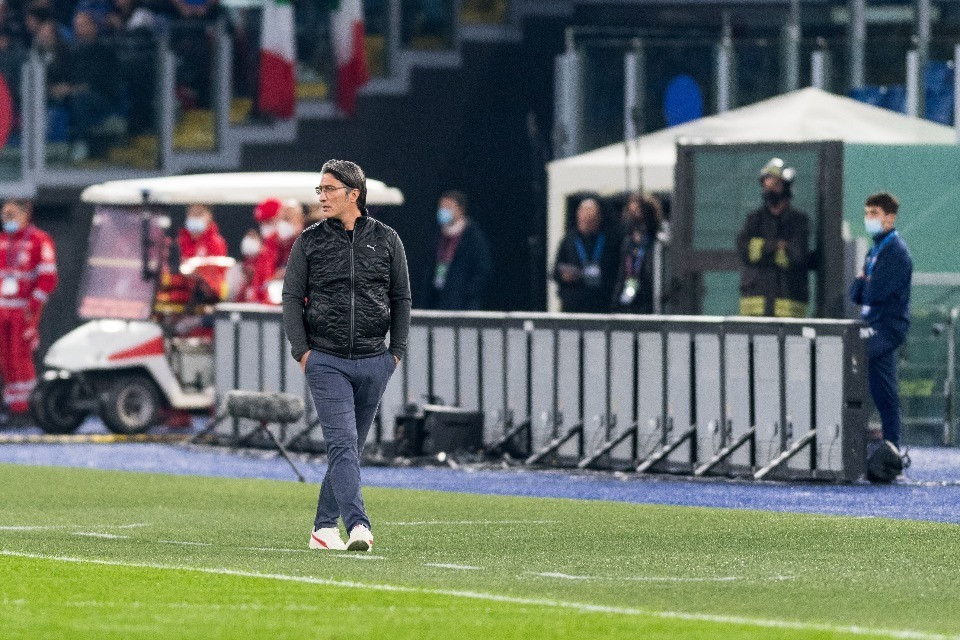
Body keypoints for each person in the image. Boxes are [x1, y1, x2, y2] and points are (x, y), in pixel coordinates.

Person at [282, 159, 410, 552]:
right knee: (342, 444)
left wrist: (395, 353)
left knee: (349, 450)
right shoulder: (308, 241)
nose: (321, 197)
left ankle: (323, 529)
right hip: (326, 360)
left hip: (375, 360)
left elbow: (401, 298)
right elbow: (291, 298)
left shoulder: (387, 239)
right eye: (319, 189)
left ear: (354, 194)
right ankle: (358, 525)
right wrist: (303, 353)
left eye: (329, 189)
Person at [850, 192, 912, 451]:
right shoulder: (876, 248)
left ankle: (859, 438)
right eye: (866, 213)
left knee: (853, 360)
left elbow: (875, 293)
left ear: (890, 217)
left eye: (874, 214)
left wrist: (865, 281)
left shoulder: (896, 252)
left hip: (886, 326)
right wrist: (865, 283)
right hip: (871, 324)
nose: (869, 219)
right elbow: (856, 293)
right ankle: (891, 447)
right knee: (884, 392)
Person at [0, 199, 57, 423]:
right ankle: (13, 406)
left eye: (12, 215)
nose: (7, 220)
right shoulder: (2, 241)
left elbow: (48, 278)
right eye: (4, 215)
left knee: (21, 357)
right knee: (5, 360)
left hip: (23, 311)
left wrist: (32, 307)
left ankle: (28, 407)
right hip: (2, 309)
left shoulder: (39, 240)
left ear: (25, 215)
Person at [736, 158, 810, 318]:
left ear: (786, 186)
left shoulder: (798, 222)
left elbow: (796, 256)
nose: (769, 189)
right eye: (766, 184)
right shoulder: (754, 220)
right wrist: (777, 246)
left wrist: (761, 248)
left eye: (775, 184)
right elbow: (745, 251)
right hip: (754, 306)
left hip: (789, 305)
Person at [420, 190, 492, 310]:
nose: (443, 211)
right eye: (441, 207)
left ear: (460, 210)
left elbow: (483, 270)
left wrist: (467, 293)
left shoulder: (472, 237)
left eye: (448, 207)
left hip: (463, 305)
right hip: (437, 300)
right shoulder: (436, 234)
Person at [552, 197, 618, 313]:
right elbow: (555, 272)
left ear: (598, 218)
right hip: (573, 304)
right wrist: (565, 276)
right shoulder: (568, 240)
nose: (586, 220)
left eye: (590, 218)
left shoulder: (609, 241)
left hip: (600, 303)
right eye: (583, 216)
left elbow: (615, 271)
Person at [611, 193, 662, 314]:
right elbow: (622, 274)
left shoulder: (657, 243)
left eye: (638, 212)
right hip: (629, 300)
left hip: (650, 302)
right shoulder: (628, 243)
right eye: (630, 213)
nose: (634, 218)